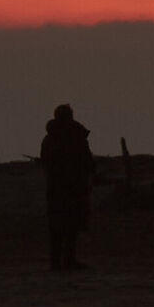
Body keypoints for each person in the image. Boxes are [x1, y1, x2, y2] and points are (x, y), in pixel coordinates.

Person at [38, 104, 94, 271]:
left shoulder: (50, 139)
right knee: (71, 225)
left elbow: (45, 162)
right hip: (73, 188)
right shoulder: (76, 136)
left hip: (56, 188)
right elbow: (87, 162)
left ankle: (57, 262)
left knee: (58, 226)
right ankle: (68, 260)